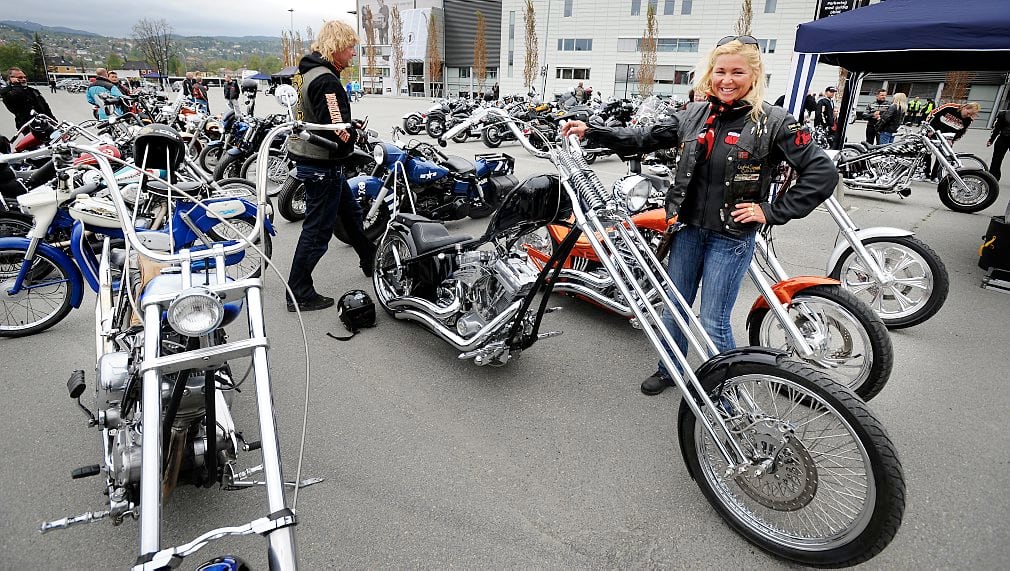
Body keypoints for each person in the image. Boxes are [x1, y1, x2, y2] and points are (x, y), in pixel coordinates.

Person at [561, 35, 837, 395]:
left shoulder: (774, 121)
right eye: (720, 71)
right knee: (674, 307)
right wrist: (595, 132)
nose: (727, 80)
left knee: (713, 322)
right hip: (687, 229)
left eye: (737, 72)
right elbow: (645, 136)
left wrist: (770, 211)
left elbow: (822, 174)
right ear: (710, 74)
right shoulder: (694, 114)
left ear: (754, 75)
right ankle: (670, 370)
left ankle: (728, 394)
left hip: (730, 237)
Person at [286, 19, 376, 312]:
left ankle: (370, 260)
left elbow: (307, 115)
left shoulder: (303, 75)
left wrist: (347, 125)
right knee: (317, 232)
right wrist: (353, 136)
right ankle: (298, 292)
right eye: (350, 47)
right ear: (336, 47)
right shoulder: (326, 80)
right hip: (322, 164)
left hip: (311, 158)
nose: (353, 53)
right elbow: (336, 128)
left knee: (351, 214)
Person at [925, 101, 980, 180]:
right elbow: (932, 114)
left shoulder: (968, 120)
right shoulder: (950, 107)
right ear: (965, 108)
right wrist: (929, 129)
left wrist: (952, 140)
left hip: (947, 138)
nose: (968, 116)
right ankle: (925, 173)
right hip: (933, 132)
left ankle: (934, 176)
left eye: (971, 115)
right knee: (926, 153)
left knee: (943, 157)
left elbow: (961, 132)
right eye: (968, 113)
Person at [988, 106, 1010, 181]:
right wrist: (991, 139)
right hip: (1003, 139)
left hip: (1003, 138)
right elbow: (997, 127)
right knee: (996, 159)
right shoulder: (1003, 114)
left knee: (996, 159)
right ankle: (993, 178)